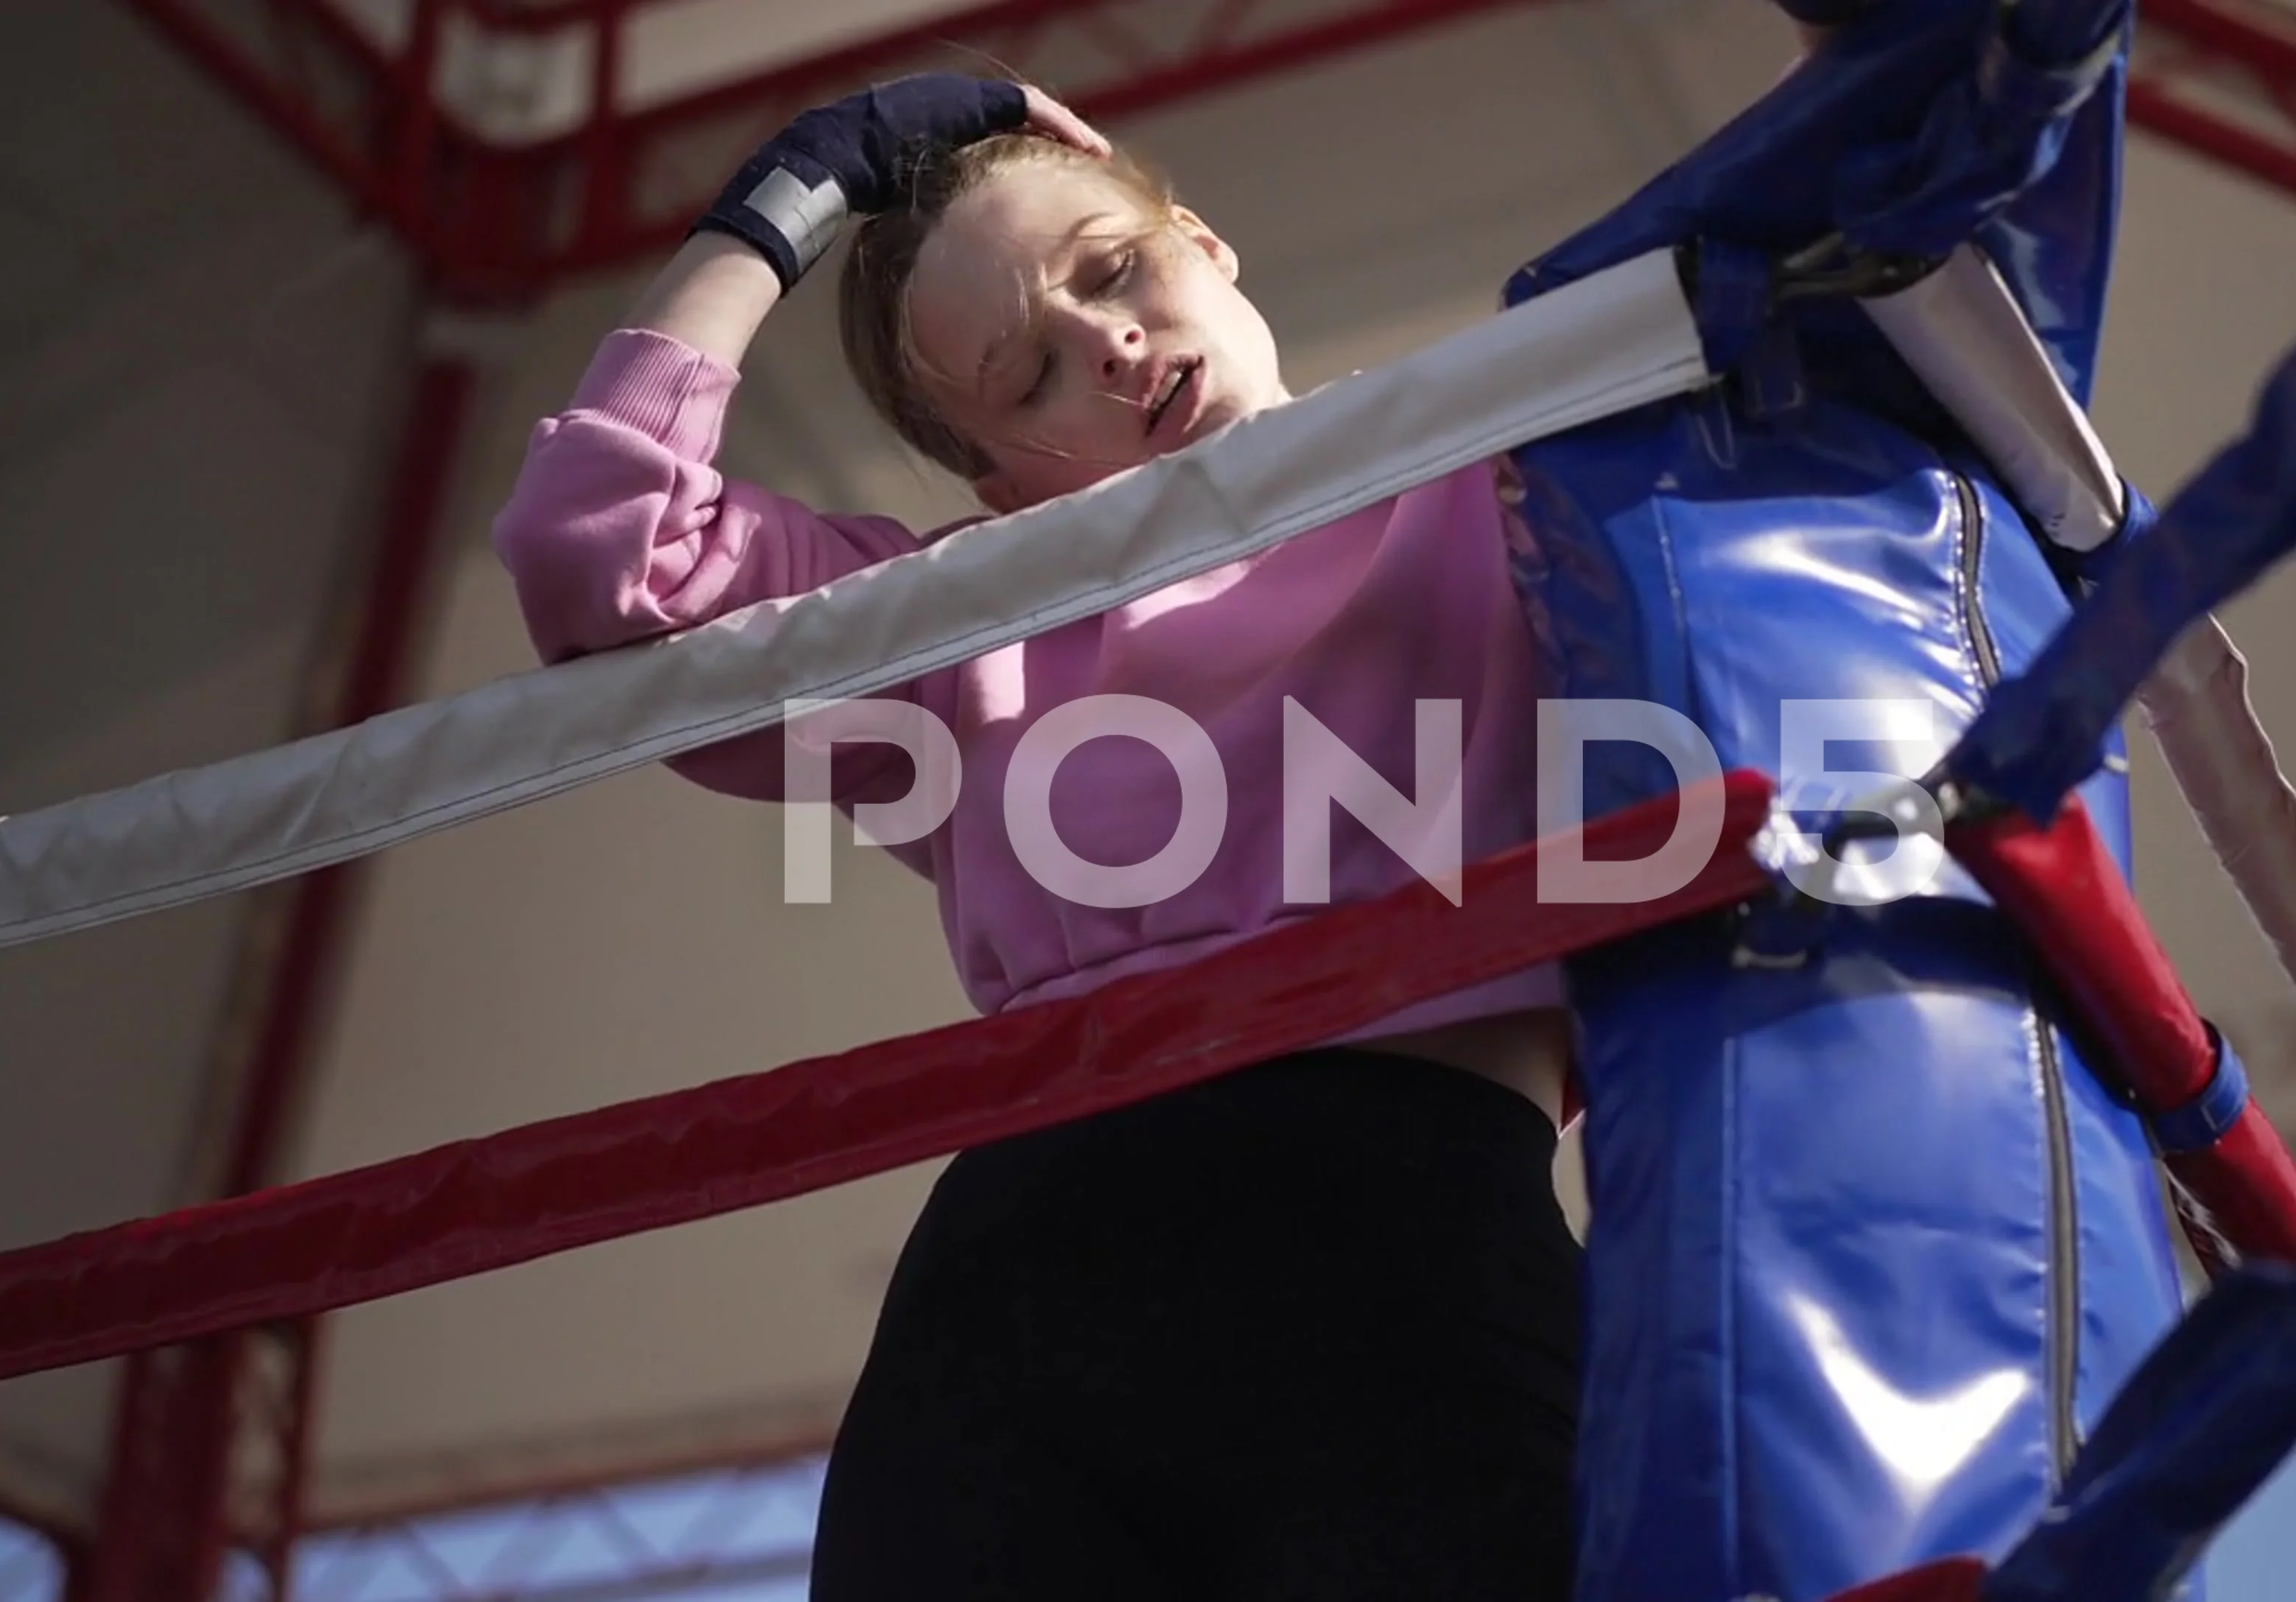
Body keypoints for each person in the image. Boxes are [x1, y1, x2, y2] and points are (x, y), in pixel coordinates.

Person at [489, 73, 1590, 1601]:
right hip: (1019, 1317)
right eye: (1029, 378)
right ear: (1003, 480)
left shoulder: (1503, 471)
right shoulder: (966, 610)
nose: (1113, 347)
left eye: (1118, 272)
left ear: (1206, 246)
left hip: (1414, 1252)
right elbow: (593, 549)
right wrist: (796, 189)